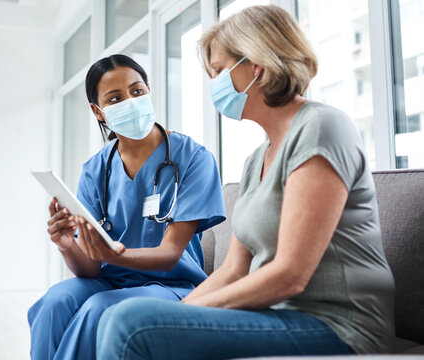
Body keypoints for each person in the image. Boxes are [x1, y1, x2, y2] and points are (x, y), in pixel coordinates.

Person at [96, 5, 395, 360]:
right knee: (118, 316)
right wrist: (175, 313)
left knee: (131, 321)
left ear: (257, 64)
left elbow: (290, 276)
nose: (214, 84)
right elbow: (234, 269)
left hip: (339, 325)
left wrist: (177, 314)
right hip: (277, 316)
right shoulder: (256, 161)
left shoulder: (320, 128)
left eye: (220, 70)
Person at [27, 54, 226, 360]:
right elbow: (91, 268)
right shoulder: (95, 170)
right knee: (54, 302)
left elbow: (170, 255)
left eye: (137, 91)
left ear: (149, 91)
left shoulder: (193, 158)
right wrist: (67, 245)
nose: (130, 102)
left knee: (98, 309)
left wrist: (112, 254)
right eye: (116, 98)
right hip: (108, 281)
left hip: (172, 286)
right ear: (99, 111)